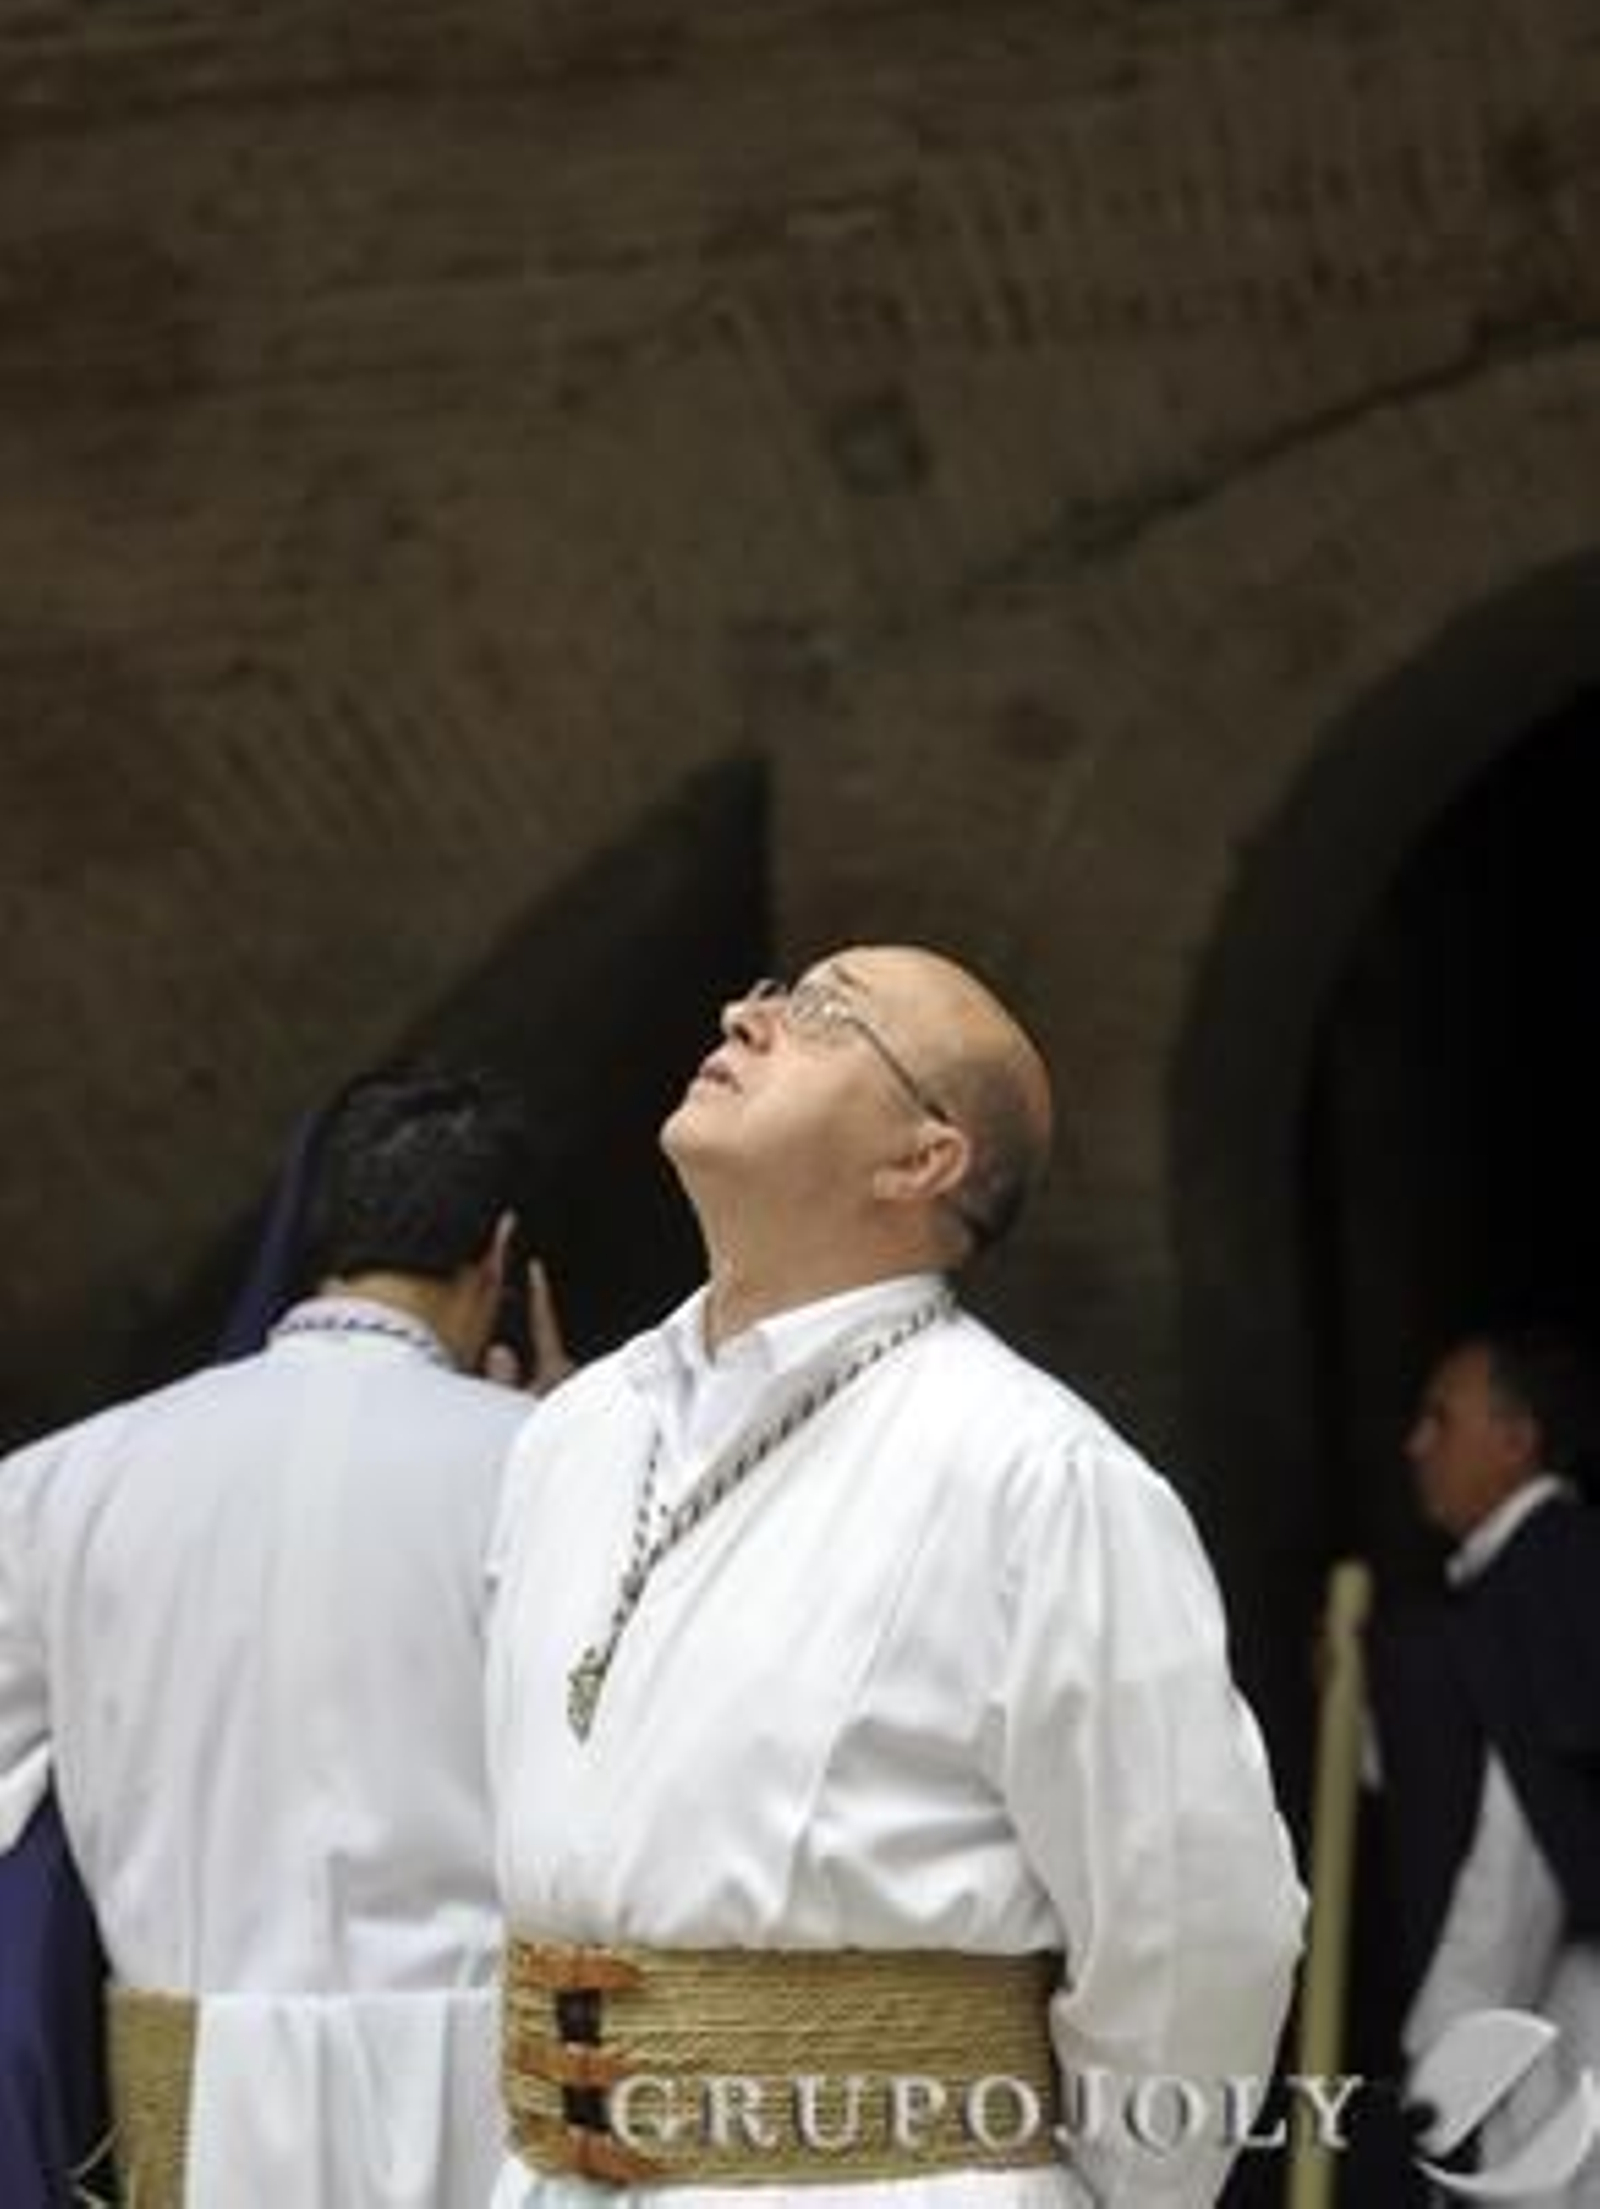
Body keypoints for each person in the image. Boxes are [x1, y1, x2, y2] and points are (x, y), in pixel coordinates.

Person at [486, 945, 1304, 2209]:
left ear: (923, 1159)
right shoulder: (571, 1435)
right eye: (767, 992)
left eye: (824, 1014)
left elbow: (1196, 1923)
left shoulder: (1037, 1477)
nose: (745, 1014)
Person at [0, 1067, 544, 2208]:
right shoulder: (553, 1467)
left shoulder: (60, 1484)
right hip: (487, 2109)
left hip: (200, 2108)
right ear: (497, 1255)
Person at [1369, 1328, 1600, 2204]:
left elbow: (1520, 1847)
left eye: (1441, 1418)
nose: (1414, 1442)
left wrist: (1447, 2069)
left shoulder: (1550, 1581)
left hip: (1555, 2022)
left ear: (1517, 1437)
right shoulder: (1522, 1584)